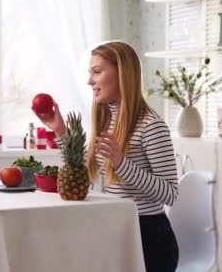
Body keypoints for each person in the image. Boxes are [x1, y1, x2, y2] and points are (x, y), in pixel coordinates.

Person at [33, 40, 179, 272]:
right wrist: (61, 132)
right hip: (115, 231)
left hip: (149, 238)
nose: (89, 81)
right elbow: (86, 171)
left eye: (97, 72)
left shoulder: (151, 125)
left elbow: (171, 194)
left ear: (122, 74)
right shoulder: (106, 123)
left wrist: (122, 163)